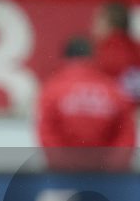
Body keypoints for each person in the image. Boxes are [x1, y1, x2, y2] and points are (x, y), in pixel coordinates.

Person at [37, 37, 136, 172]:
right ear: (93, 58)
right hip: (106, 178)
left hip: (65, 178)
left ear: (66, 58)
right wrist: (112, 170)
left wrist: (64, 166)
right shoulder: (113, 90)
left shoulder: (53, 89)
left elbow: (47, 133)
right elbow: (126, 134)